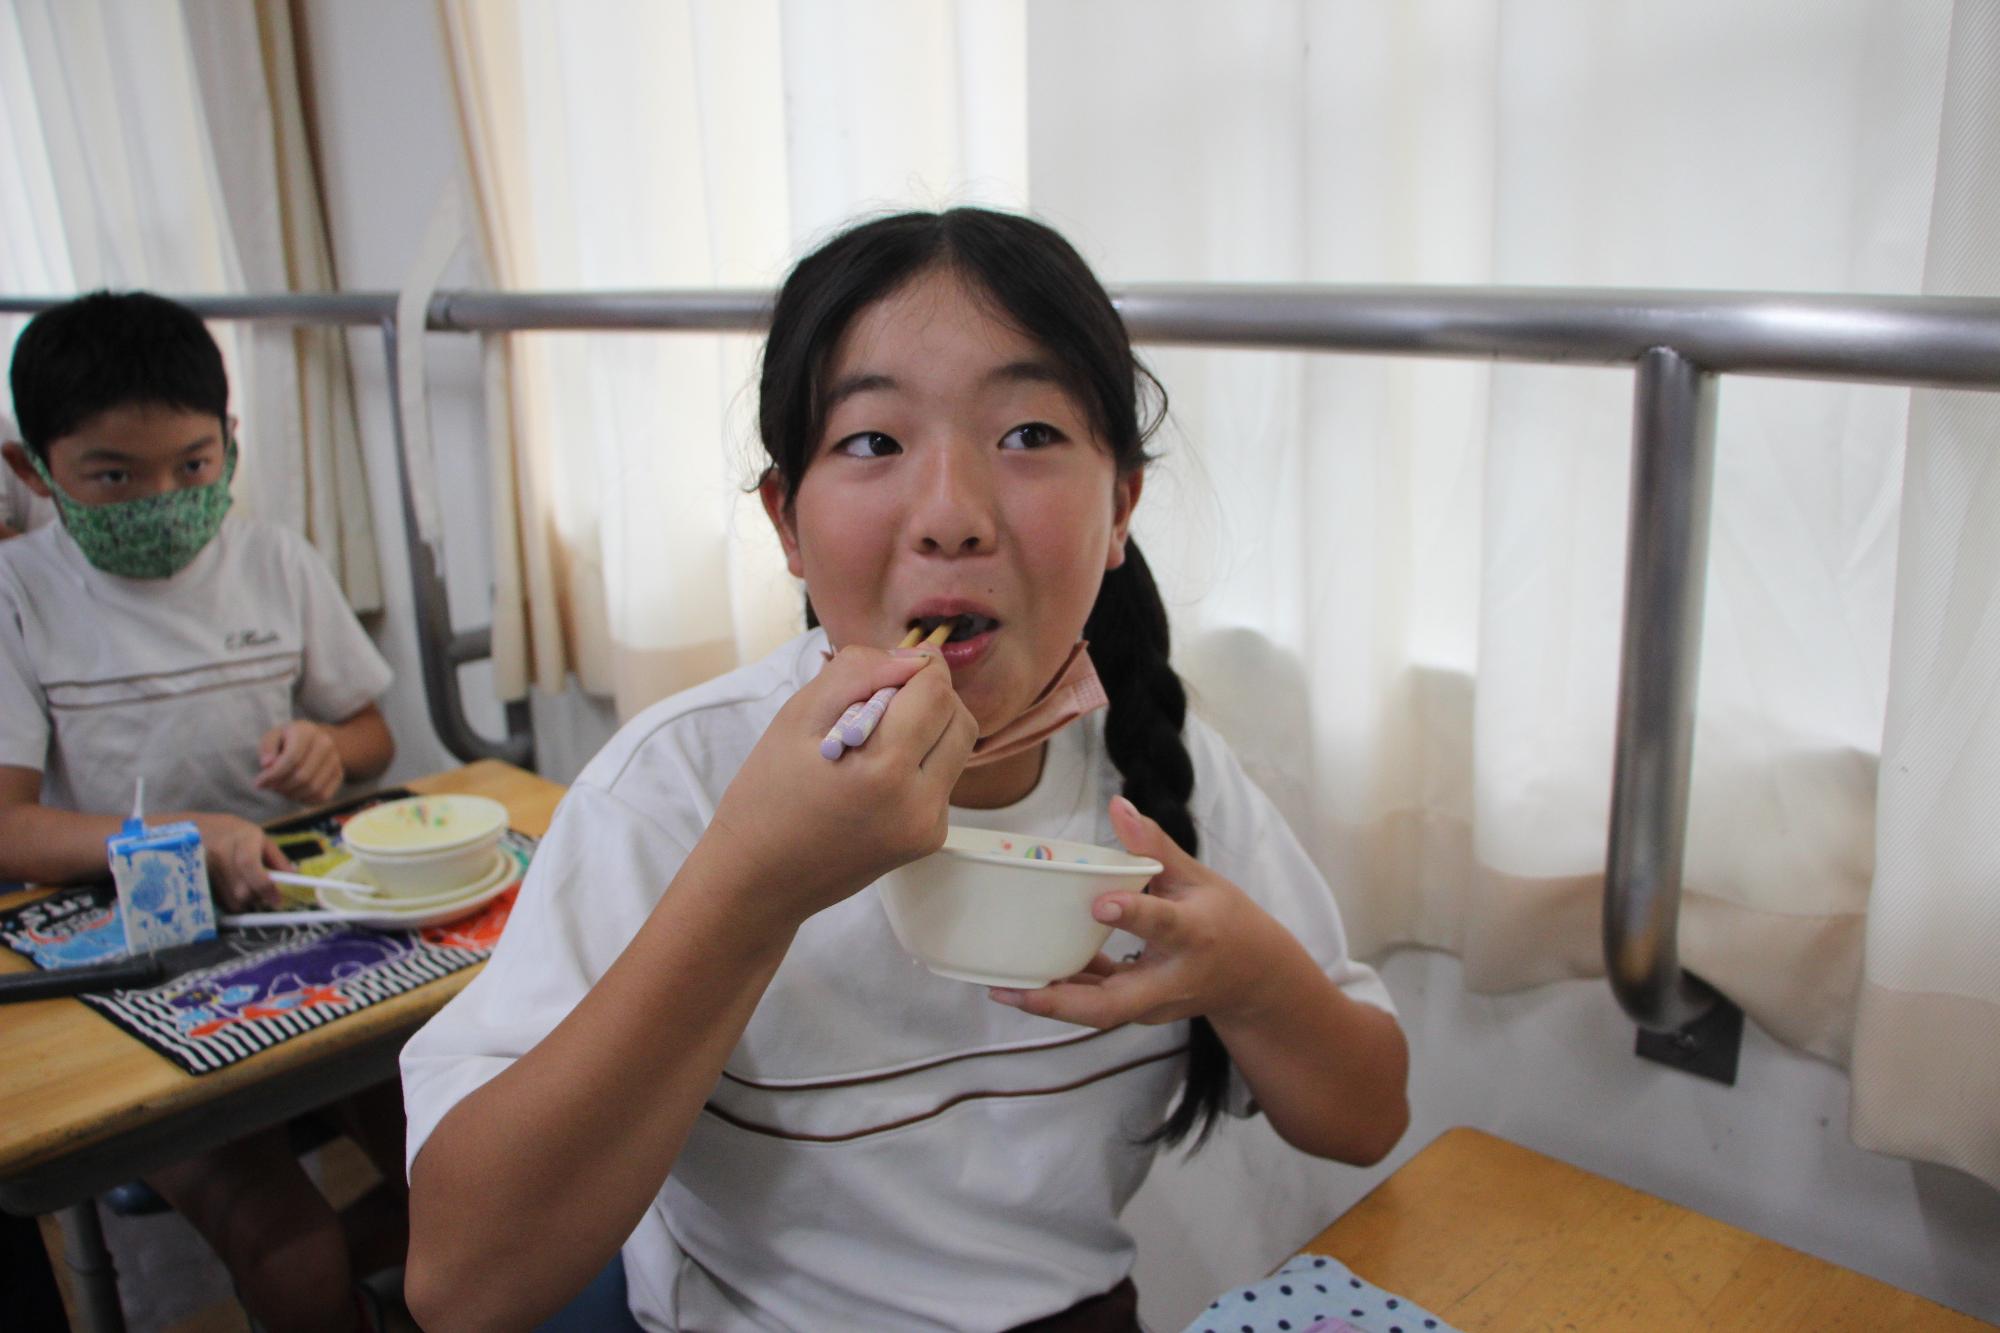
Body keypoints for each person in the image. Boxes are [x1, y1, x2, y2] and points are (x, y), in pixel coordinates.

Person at [401, 209, 1410, 1332]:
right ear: (787, 524)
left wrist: (1251, 978)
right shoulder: (673, 785)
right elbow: (462, 1284)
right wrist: (752, 881)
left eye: (1026, 434)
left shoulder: (1159, 772)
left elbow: (1364, 1118)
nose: (950, 516)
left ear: (1119, 507)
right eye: (873, 442)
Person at [0, 291, 406, 1333]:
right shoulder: (18, 593)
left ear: (229, 442)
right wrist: (179, 838)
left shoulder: (273, 559)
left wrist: (329, 749)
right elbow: (7, 828)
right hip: (129, 950)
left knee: (455, 1165)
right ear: (32, 469)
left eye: (192, 463)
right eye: (114, 475)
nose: (164, 496)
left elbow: (369, 737)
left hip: (297, 913)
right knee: (292, 1244)